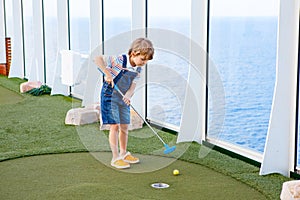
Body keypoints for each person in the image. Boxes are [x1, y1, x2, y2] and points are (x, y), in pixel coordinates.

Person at [94, 38, 154, 169]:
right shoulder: (120, 59)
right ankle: (115, 158)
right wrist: (107, 73)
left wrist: (128, 95)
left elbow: (132, 86)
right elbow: (97, 58)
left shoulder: (138, 69)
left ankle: (123, 153)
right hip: (110, 96)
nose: (144, 63)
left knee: (125, 126)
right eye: (143, 59)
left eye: (146, 61)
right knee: (114, 126)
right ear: (134, 53)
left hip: (123, 98)